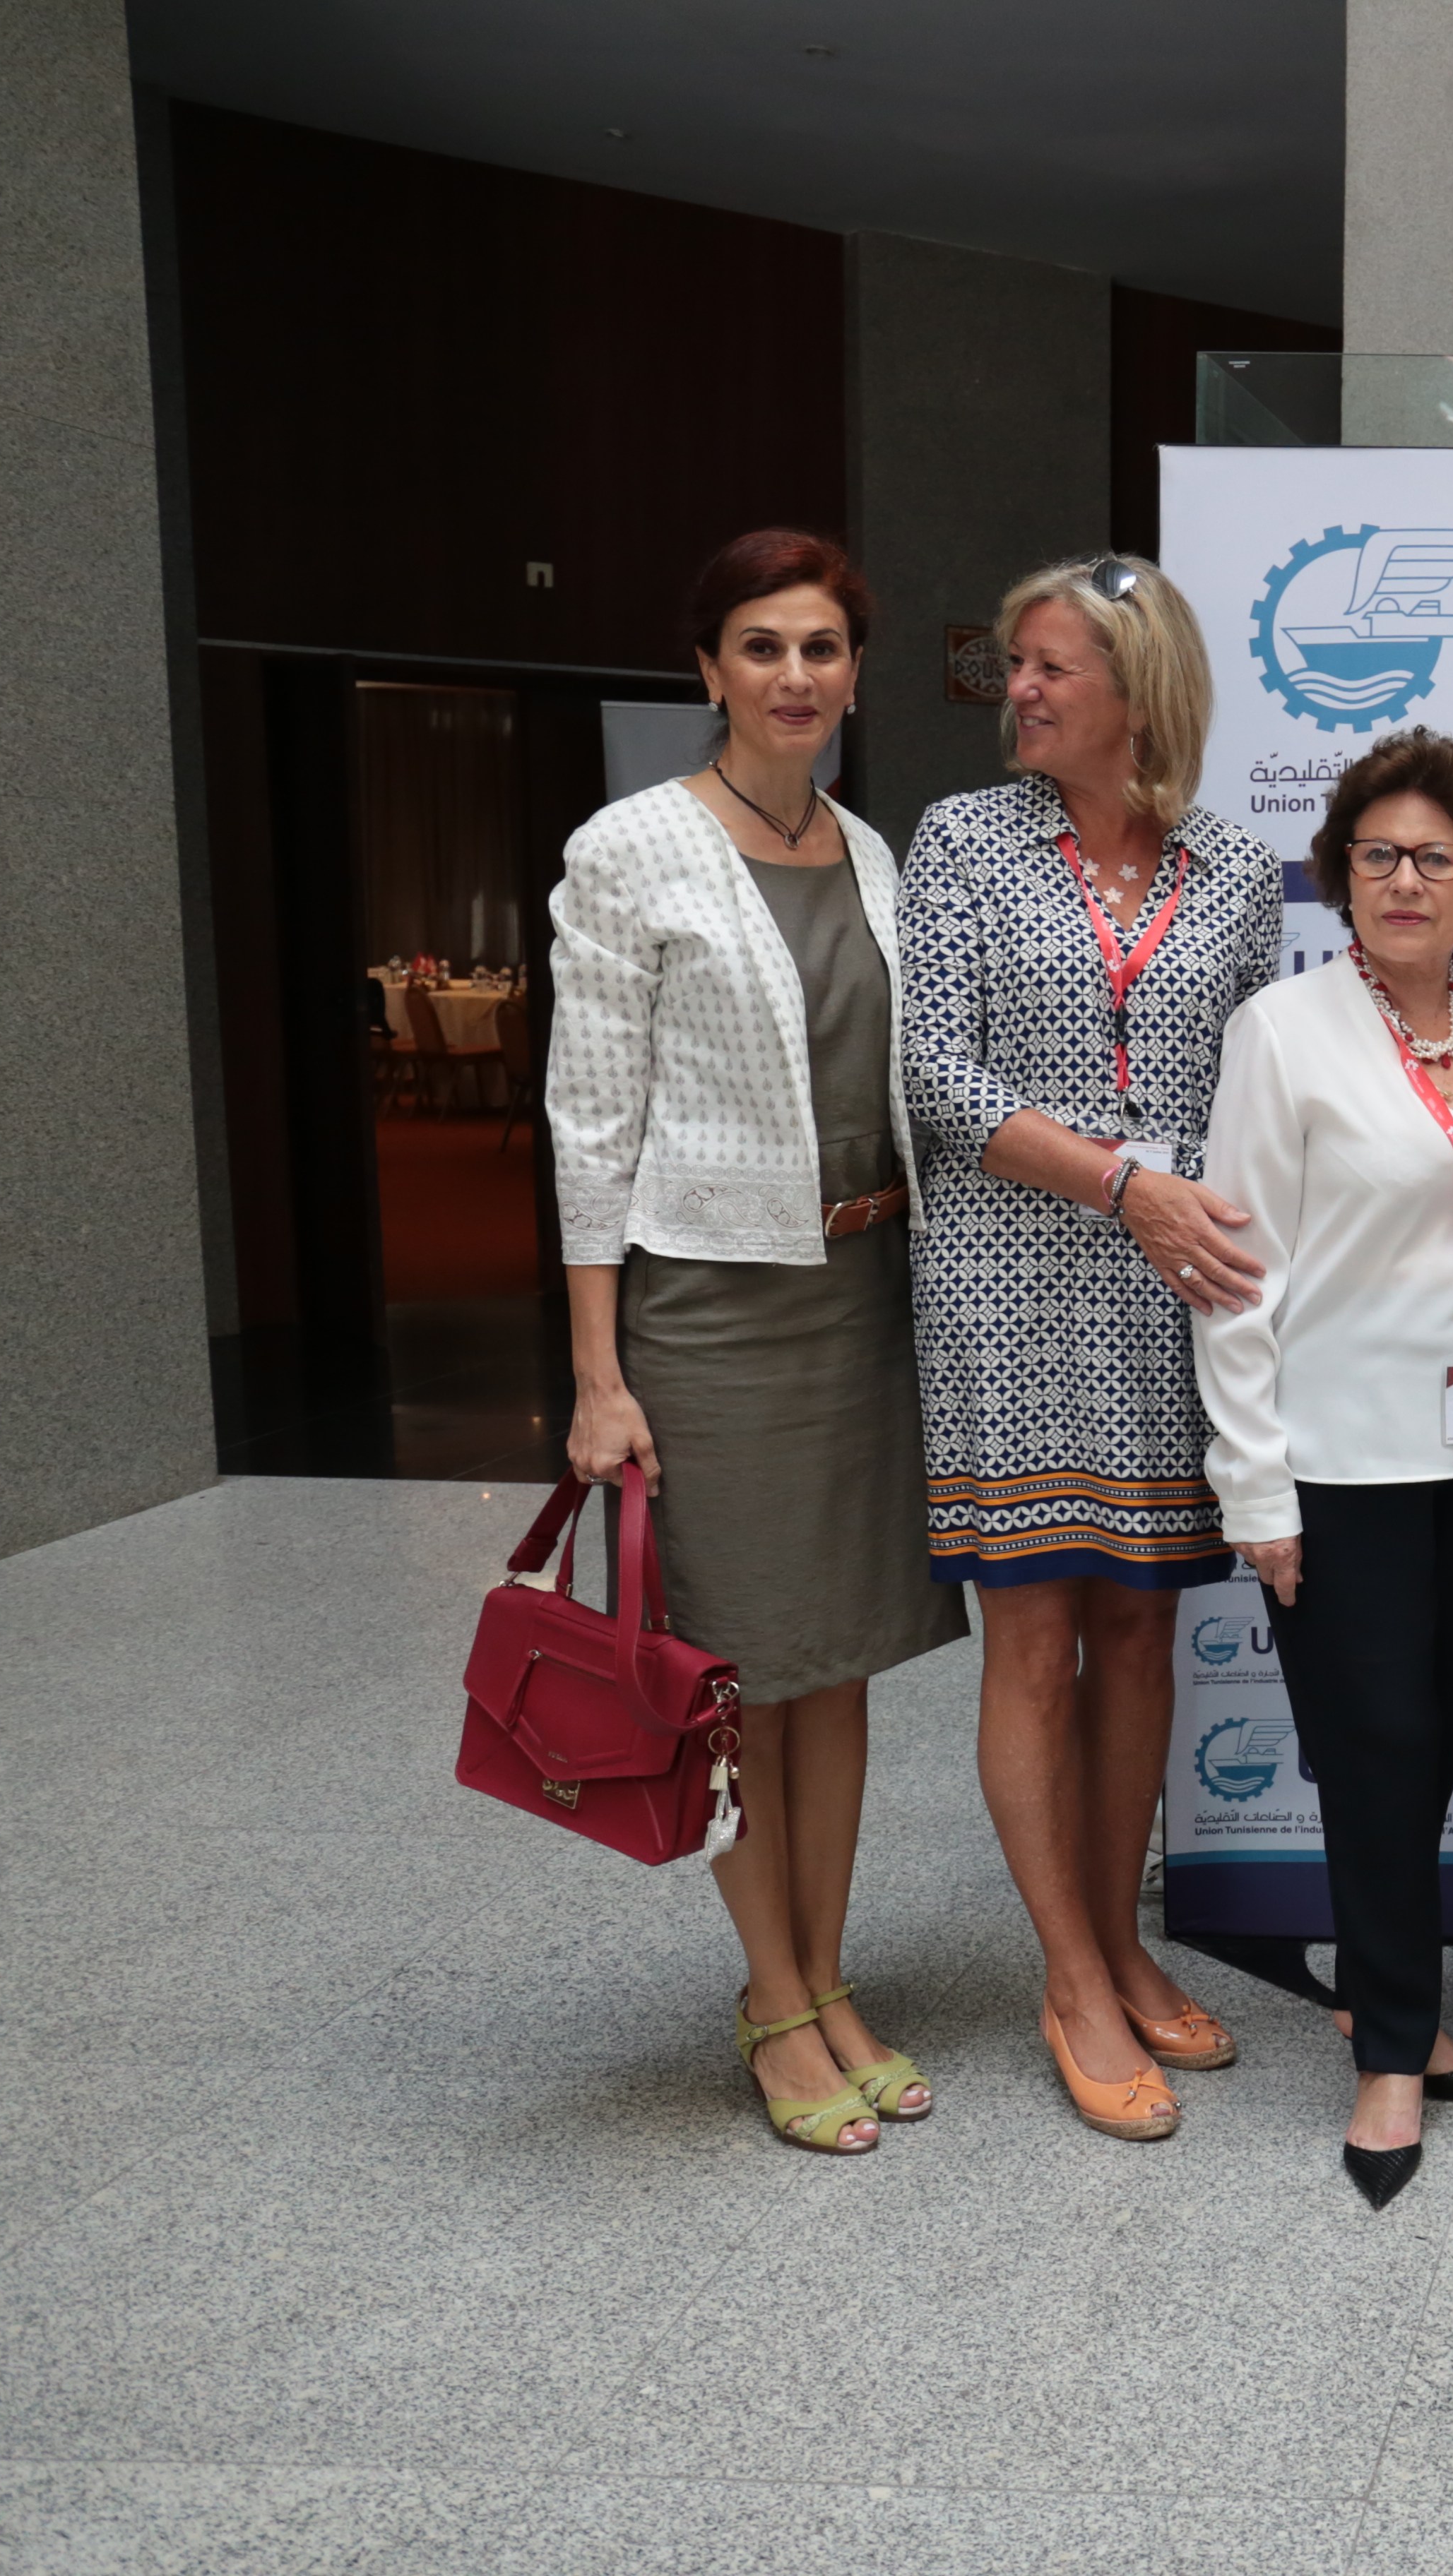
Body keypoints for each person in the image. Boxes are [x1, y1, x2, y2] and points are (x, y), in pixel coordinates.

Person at [546, 527, 967, 2154]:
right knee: (739, 1669)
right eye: (764, 646)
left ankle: (827, 1975)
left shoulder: (873, 852)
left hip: (861, 1303)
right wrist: (599, 1378)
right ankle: (774, 2000)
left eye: (823, 648)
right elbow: (590, 1124)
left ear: (856, 674)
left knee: (835, 1665)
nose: (797, 675)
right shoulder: (631, 849)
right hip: (712, 1317)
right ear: (709, 670)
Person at [900, 554, 1282, 2143]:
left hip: (1168, 1300)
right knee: (1034, 1637)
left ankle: (1124, 1940)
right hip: (1002, 1291)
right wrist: (1125, 1182)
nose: (1022, 690)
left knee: (1139, 1637)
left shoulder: (1237, 868)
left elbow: (1254, 1091)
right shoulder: (961, 841)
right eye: (1018, 664)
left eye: (1053, 667)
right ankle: (1069, 1977)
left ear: (1140, 689)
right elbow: (936, 1076)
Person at [1196, 729, 1453, 2207]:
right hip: (1338, 1463)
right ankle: (1395, 2054)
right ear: (1342, 874)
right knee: (1379, 1757)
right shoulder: (1283, 1031)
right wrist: (1256, 1488)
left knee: (1424, 1747)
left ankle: (1377, 1991)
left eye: (1436, 858)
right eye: (1378, 855)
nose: (1406, 880)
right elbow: (1233, 1278)